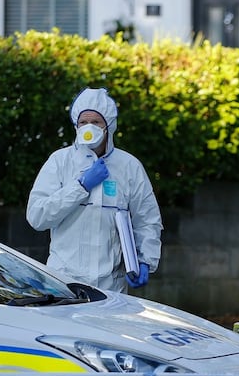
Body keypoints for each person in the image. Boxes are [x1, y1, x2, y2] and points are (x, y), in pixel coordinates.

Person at [27, 87, 162, 293]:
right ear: (76, 125)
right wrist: (80, 186)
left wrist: (145, 260)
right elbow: (37, 216)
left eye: (96, 122)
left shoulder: (129, 166)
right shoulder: (60, 161)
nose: (88, 127)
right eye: (83, 122)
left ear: (109, 126)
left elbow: (147, 219)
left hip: (111, 287)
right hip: (64, 283)